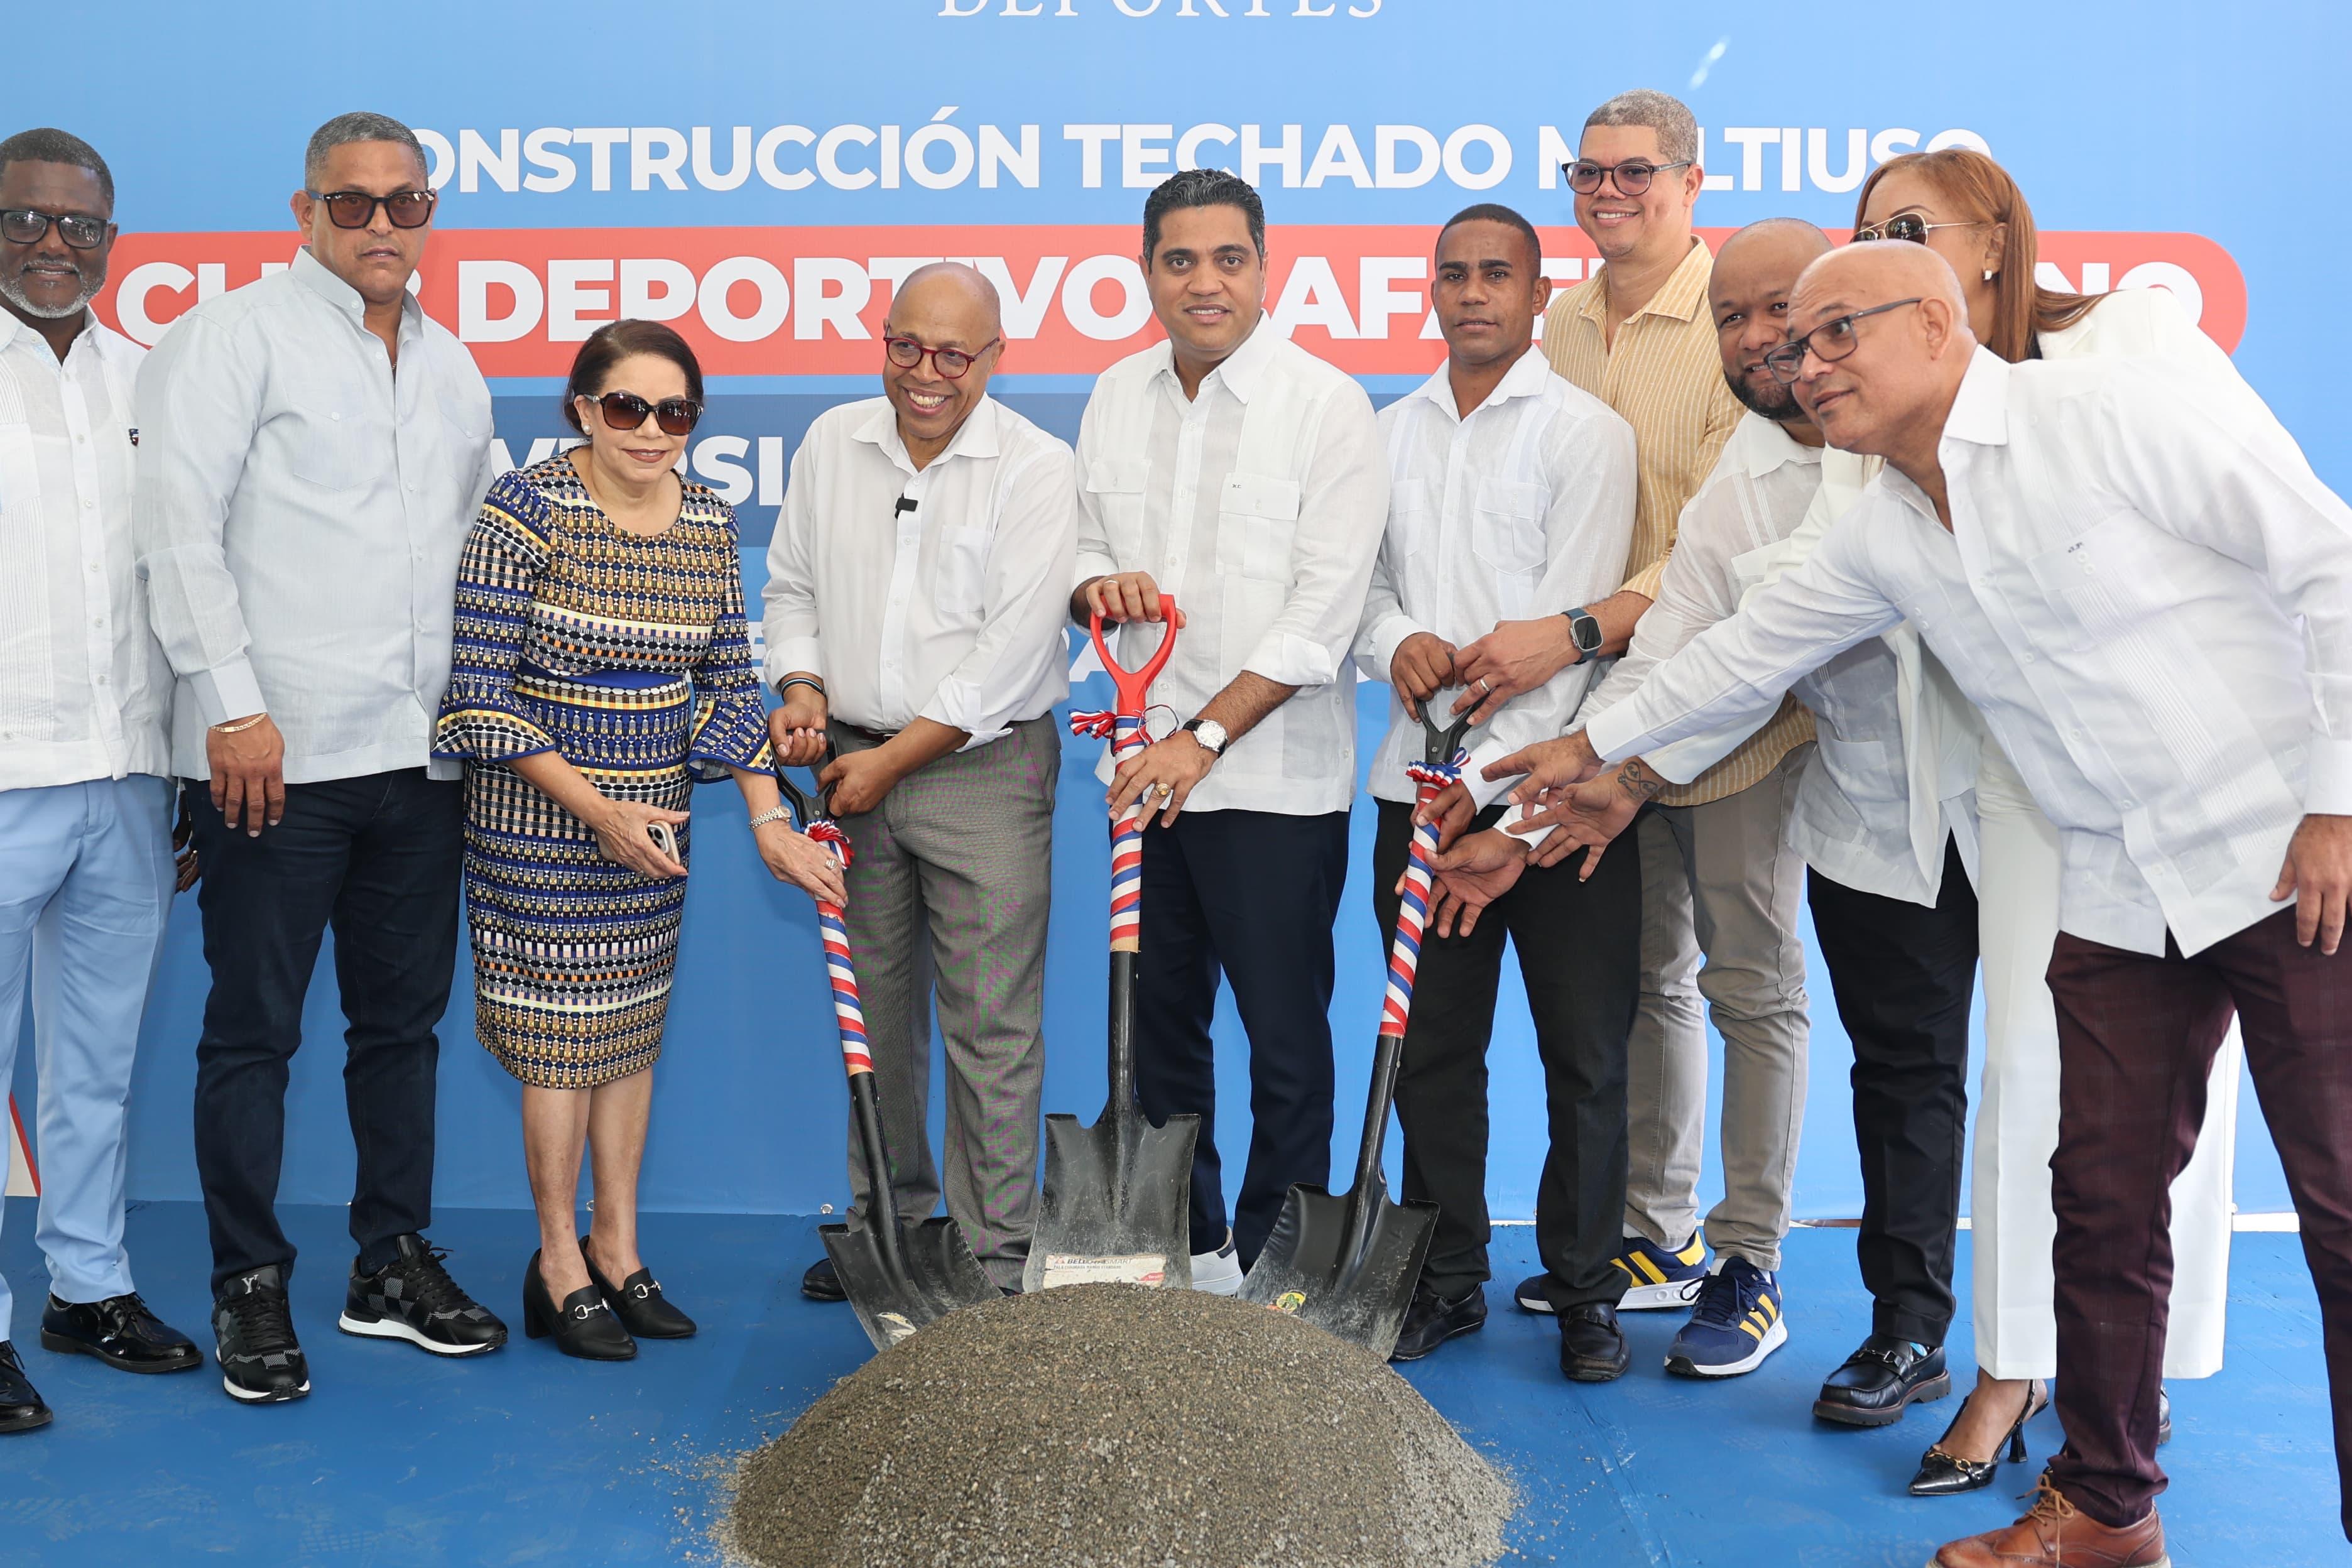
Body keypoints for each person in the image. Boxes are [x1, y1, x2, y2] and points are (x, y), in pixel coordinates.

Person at [1501, 238, 2352, 1568]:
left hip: (2290, 850)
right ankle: (2107, 1510)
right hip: (2116, 883)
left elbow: (2330, 561)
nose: (1803, 363)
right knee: (2100, 1205)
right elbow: (1739, 655)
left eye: (1835, 332)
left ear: (1941, 322)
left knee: (2343, 1205)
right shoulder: (1882, 529)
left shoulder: (2107, 409)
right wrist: (1592, 751)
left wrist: (2338, 797)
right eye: (1793, 346)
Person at [135, 112, 506, 1404]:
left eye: (406, 202)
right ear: (305, 213)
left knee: (402, 1030)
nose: (381, 225)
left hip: (421, 761)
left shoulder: (452, 365)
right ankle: (248, 1281)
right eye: (353, 203)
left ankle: (389, 1262)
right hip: (272, 761)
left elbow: (482, 549)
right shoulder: (230, 337)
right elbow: (177, 532)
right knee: (253, 1035)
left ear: (430, 213)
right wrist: (230, 709)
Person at [1466, 87, 1817, 1340]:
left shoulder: (1741, 322)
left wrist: (1574, 632)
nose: (1608, 192)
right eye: (1588, 173)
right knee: (1649, 982)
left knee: (1751, 986)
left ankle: (1750, 1258)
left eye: (1635, 172)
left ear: (1690, 180)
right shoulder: (1559, 323)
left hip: (1736, 710)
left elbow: (1719, 552)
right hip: (1601, 720)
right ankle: (1653, 1236)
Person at [434, 320, 836, 1358]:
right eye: (626, 407)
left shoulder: (707, 518)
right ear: (582, 408)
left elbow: (728, 688)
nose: (651, 430)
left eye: (675, 412)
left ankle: (617, 1248)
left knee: (629, 1033)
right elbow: (479, 692)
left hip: (656, 830)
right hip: (540, 826)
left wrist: (767, 820)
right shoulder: (525, 511)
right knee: (560, 1039)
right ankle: (556, 1262)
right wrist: (600, 811)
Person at [1072, 168, 1386, 1290]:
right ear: (1147, 271)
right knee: (1159, 1032)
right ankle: (1187, 1249)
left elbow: (1323, 615)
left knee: (1286, 1042)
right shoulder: (1115, 395)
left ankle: (1276, 1268)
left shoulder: (1327, 406)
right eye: (1180, 260)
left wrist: (1199, 739)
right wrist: (1095, 587)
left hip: (1272, 787)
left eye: (1228, 259)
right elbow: (1080, 549)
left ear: (1266, 267)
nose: (1204, 283)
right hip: (1138, 778)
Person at [1353, 204, 1639, 1369]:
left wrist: (1498, 808)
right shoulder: (1384, 435)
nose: (1473, 293)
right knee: (1430, 1051)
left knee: (1588, 1058)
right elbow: (1360, 592)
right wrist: (1397, 640)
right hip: (1412, 795)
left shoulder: (1590, 436)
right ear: (1431, 289)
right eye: (1454, 274)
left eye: (1498, 275)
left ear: (1538, 294)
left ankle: (1586, 1292)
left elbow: (1575, 648)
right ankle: (1446, 1278)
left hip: (1560, 807)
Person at [762, 263, 1077, 1297]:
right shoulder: (832, 442)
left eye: (954, 354)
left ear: (995, 358)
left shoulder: (1036, 467)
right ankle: (888, 1234)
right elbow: (792, 589)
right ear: (884, 340)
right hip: (846, 756)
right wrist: (803, 688)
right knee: (875, 1017)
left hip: (982, 773)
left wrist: (889, 765)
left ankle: (993, 1257)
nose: (926, 373)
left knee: (992, 1025)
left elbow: (1010, 652)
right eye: (907, 347)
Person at [0, 126, 201, 1434]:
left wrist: (185, 768)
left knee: (96, 1062)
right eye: (25, 218)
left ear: (113, 241)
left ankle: (87, 1286)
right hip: (4, 772)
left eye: (79, 225)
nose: (52, 244)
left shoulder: (153, 381)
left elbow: (189, 580)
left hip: (129, 778)